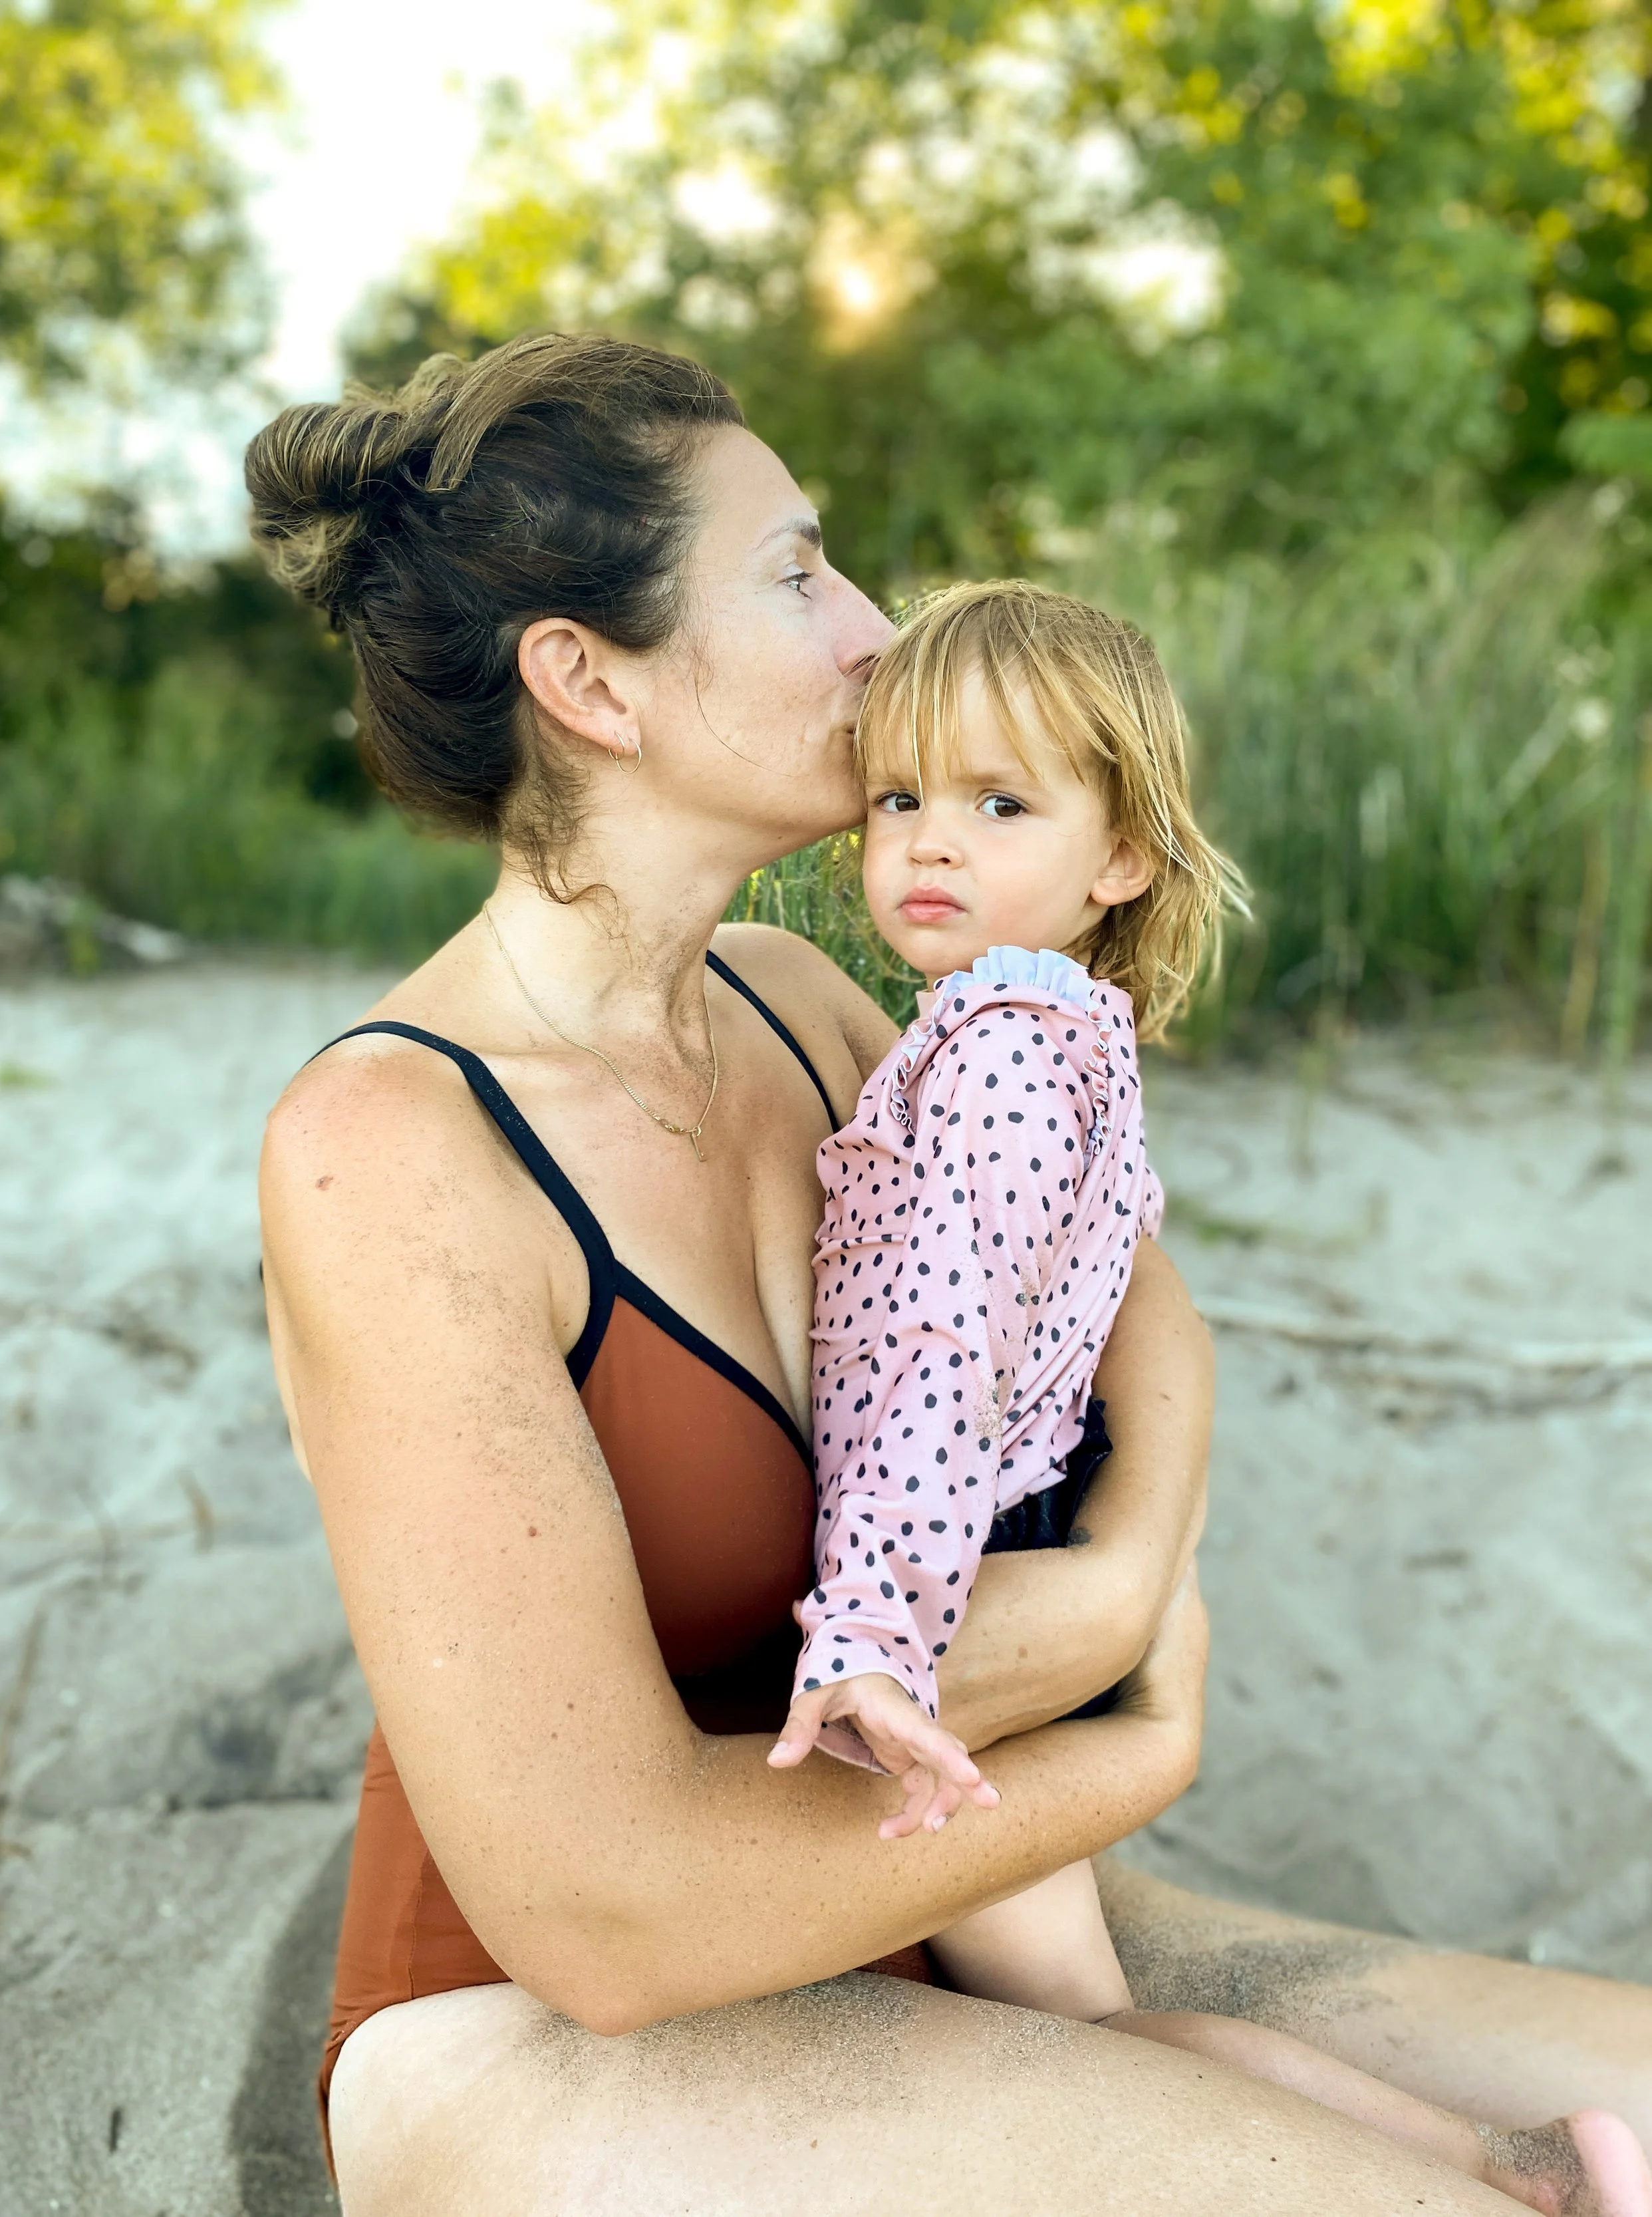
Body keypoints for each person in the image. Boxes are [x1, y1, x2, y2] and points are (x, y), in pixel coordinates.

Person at [247, 329, 1652, 2216]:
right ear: (589, 680)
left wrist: (1130, 1570)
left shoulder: (820, 1007)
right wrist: (1137, 1734)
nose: (871, 628)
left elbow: (1149, 1313)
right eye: (797, 569)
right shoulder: (395, 1149)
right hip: (548, 2028)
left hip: (914, 1878)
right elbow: (610, 1914)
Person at [767, 579, 1652, 2214]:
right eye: (898, 798)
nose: (924, 844)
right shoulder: (1058, 1031)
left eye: (996, 802)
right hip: (1014, 1525)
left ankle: (1510, 2172)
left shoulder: (999, 1064)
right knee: (1042, 1995)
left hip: (964, 1572)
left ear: (1117, 859)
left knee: (1078, 2029)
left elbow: (939, 1368)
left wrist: (876, 1635)